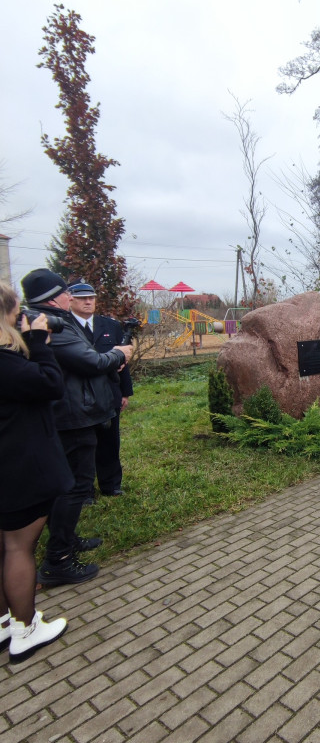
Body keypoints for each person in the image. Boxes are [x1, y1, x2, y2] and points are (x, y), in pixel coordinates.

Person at [20, 269, 134, 586]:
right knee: (76, 486)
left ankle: (67, 539)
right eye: (66, 293)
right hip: (73, 416)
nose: (72, 297)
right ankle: (58, 559)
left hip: (73, 411)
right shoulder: (49, 324)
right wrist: (118, 354)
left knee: (69, 482)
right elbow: (90, 361)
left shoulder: (46, 319)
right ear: (53, 297)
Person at [0, 282, 69, 662]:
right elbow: (50, 384)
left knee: (2, 546)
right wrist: (40, 342)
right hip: (18, 465)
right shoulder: (6, 364)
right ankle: (25, 629)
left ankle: (4, 623)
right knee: (18, 548)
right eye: (16, 315)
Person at [68, 280, 133, 498]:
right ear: (70, 300)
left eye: (91, 298)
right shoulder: (65, 326)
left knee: (109, 442)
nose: (88, 302)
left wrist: (124, 392)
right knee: (82, 447)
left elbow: (123, 361)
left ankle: (111, 484)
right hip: (80, 395)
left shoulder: (110, 326)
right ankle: (84, 491)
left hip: (109, 392)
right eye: (82, 298)